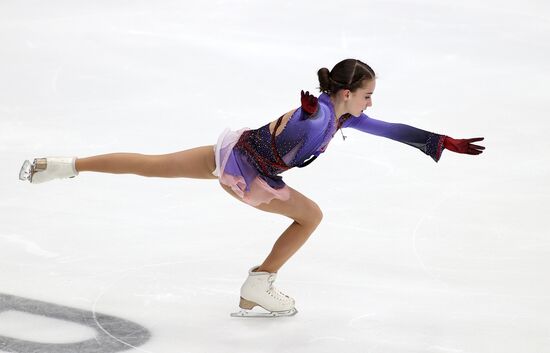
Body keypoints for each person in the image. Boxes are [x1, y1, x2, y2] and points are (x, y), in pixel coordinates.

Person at [19, 59, 485, 317]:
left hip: (232, 153)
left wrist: (438, 141)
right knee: (311, 217)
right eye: (367, 94)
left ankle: (61, 165)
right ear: (346, 93)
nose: (371, 103)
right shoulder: (322, 114)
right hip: (250, 177)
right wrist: (304, 114)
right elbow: (302, 122)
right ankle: (259, 283)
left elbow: (389, 129)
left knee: (152, 164)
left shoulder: (340, 113)